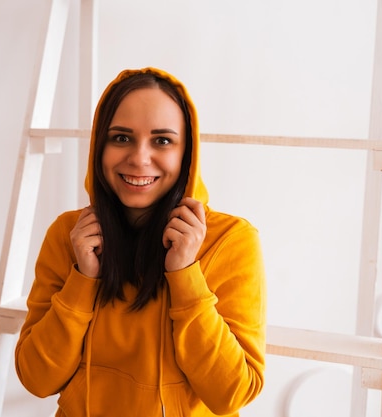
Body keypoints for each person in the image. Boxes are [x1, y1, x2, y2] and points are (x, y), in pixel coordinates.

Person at [15, 67, 266, 417]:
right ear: (99, 146)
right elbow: (36, 378)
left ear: (187, 153)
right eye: (121, 138)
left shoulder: (230, 240)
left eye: (162, 140)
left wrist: (185, 274)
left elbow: (232, 392)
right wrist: (83, 279)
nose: (139, 158)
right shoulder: (69, 234)